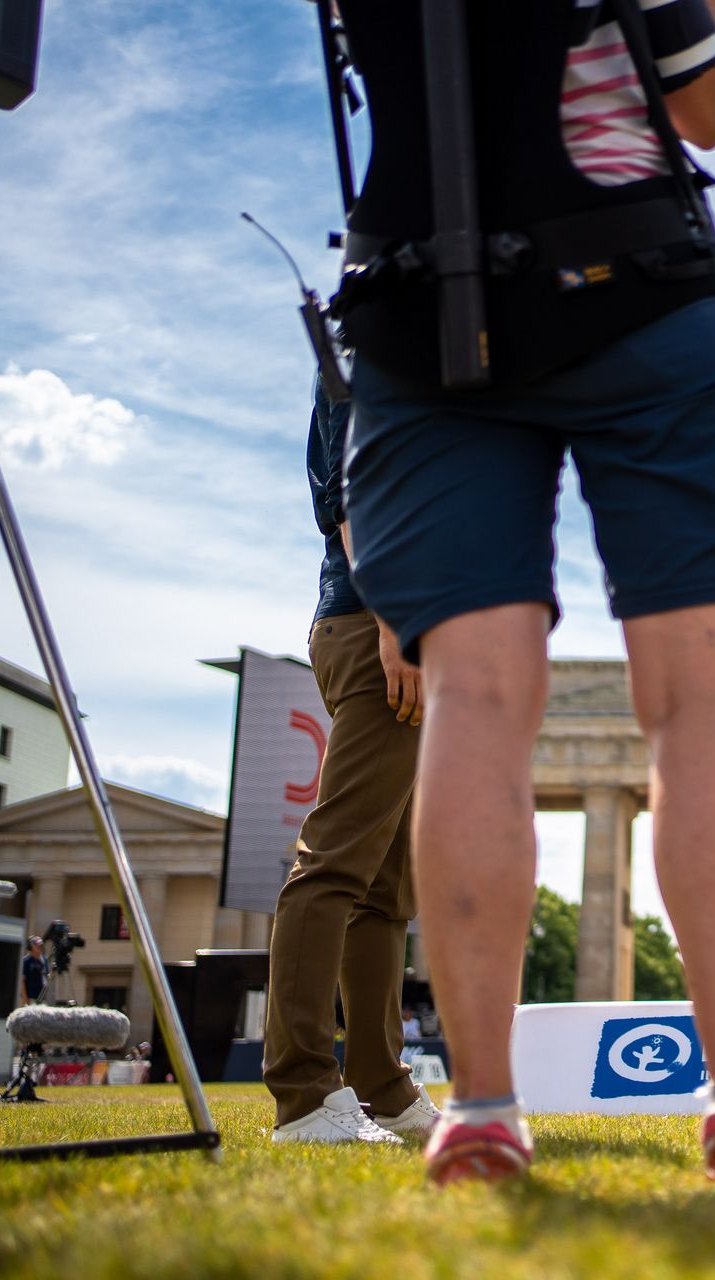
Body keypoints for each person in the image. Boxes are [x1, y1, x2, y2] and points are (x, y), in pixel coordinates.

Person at [333, 0, 715, 1183]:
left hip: (420, 300)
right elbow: (702, 103)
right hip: (640, 279)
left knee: (473, 699)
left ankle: (481, 1108)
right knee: (701, 696)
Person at [262, 379, 437, 1149]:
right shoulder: (366, 360)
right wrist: (397, 619)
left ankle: (385, 1088)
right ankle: (303, 1093)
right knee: (335, 863)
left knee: (384, 884)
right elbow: (354, 496)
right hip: (376, 626)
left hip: (391, 629)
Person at [21, 937, 45, 1005]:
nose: (40, 948)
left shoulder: (41, 961)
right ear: (32, 947)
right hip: (30, 998)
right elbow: (21, 981)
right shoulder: (26, 961)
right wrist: (25, 998)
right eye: (38, 946)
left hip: (40, 998)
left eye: (41, 946)